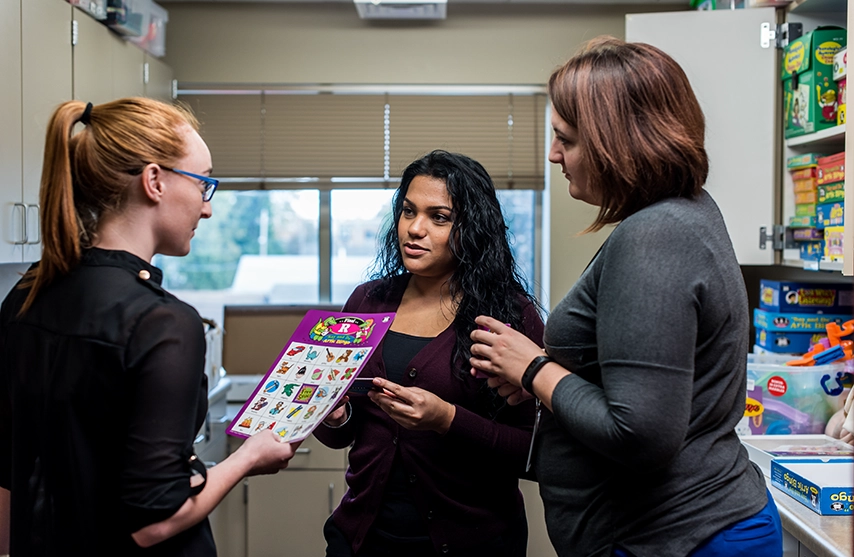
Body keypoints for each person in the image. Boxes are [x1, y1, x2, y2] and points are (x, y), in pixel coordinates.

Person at [469, 37, 783, 557]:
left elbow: (640, 433)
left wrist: (534, 370)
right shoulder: (686, 213)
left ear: (617, 142)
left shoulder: (656, 235)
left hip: (680, 536)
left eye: (564, 139)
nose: (553, 155)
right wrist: (557, 377)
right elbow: (645, 380)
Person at [0, 98, 298, 556]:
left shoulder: (26, 296)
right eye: (204, 184)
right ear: (154, 181)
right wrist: (247, 459)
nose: (207, 209)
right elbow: (155, 520)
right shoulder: (162, 323)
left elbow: (8, 478)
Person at [314, 150, 545, 557]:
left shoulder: (510, 316)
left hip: (475, 543)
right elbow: (342, 435)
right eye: (408, 211)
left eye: (439, 217)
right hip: (362, 538)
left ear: (471, 227)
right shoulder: (367, 301)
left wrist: (447, 420)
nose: (414, 229)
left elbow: (536, 452)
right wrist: (334, 414)